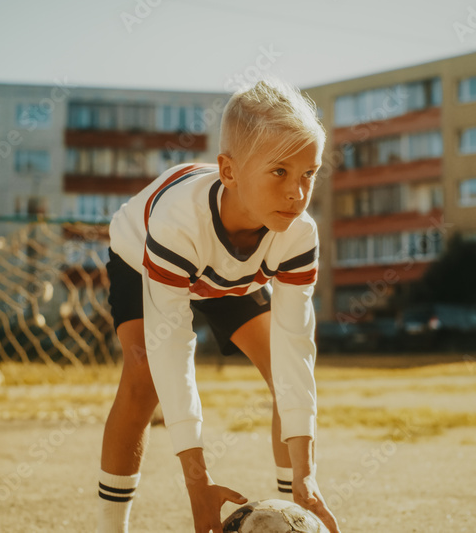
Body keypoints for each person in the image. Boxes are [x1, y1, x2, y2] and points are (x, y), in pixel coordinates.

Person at [98, 78, 340, 533]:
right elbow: (175, 349)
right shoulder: (178, 223)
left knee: (278, 367)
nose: (297, 192)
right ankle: (109, 528)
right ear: (228, 171)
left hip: (233, 275)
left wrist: (306, 475)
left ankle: (295, 511)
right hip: (144, 250)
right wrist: (199, 482)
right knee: (145, 371)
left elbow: (296, 353)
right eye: (279, 172)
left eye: (309, 173)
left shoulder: (297, 232)